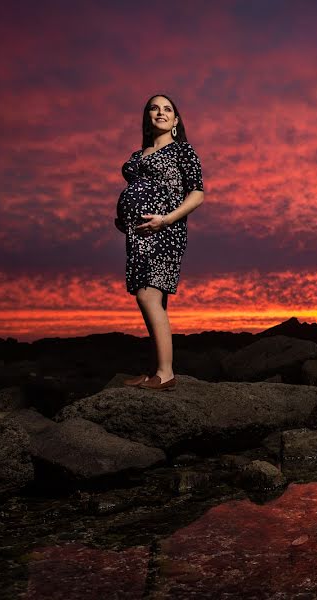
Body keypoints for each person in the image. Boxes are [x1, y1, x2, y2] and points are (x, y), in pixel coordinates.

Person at [114, 93, 205, 391]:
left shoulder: (182, 151)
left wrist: (166, 219)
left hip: (165, 229)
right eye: (154, 108)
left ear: (176, 121)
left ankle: (166, 374)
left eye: (167, 109)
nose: (161, 112)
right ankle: (153, 369)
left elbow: (197, 194)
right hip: (139, 232)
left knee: (148, 296)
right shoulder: (138, 155)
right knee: (154, 300)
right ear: (147, 117)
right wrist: (125, 218)